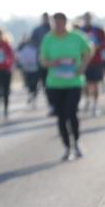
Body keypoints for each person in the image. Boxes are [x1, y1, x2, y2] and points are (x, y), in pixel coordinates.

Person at [39, 12, 94, 161]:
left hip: (74, 82)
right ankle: (67, 147)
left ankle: (76, 141)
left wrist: (82, 66)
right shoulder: (48, 39)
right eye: (55, 22)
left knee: (71, 112)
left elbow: (88, 51)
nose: (58, 25)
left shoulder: (76, 37)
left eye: (60, 22)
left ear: (65, 22)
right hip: (55, 83)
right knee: (61, 116)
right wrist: (52, 63)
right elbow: (43, 60)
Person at [78, 12, 105, 117]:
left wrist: (97, 46)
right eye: (85, 18)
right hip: (83, 62)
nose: (87, 20)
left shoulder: (98, 30)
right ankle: (87, 100)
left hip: (96, 61)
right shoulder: (79, 31)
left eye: (89, 18)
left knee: (95, 84)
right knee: (85, 84)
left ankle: (95, 105)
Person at [30, 12, 51, 100]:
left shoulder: (54, 29)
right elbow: (32, 42)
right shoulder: (37, 30)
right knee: (44, 82)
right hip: (42, 60)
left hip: (55, 60)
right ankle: (50, 102)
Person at [16, 34, 41, 107]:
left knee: (35, 84)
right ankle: (31, 94)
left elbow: (40, 58)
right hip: (27, 69)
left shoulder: (37, 48)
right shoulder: (25, 48)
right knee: (29, 84)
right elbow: (21, 58)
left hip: (36, 69)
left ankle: (34, 97)